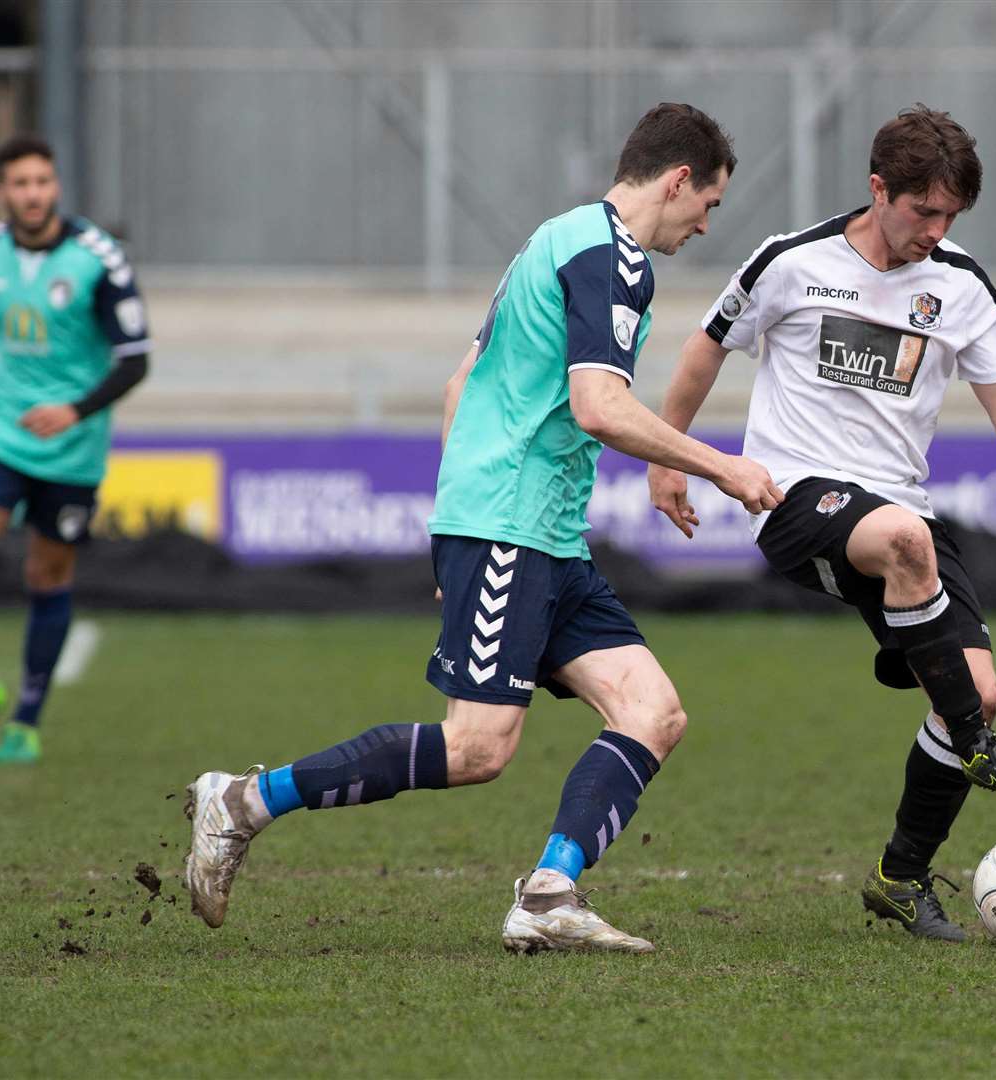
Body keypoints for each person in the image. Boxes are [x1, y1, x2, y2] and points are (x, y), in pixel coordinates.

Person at [183, 103, 782, 953]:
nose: (706, 224)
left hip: (535, 531)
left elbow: (462, 382)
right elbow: (598, 407)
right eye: (709, 203)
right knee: (477, 747)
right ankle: (242, 802)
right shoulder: (609, 257)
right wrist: (719, 466)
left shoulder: (554, 238)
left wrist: (451, 520)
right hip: (512, 524)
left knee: (652, 710)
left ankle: (549, 894)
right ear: (678, 179)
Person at [647, 105, 996, 942]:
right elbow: (706, 349)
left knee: (978, 690)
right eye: (925, 212)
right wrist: (671, 457)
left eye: (951, 215)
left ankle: (901, 876)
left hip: (901, 505)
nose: (937, 230)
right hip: (797, 498)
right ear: (878, 190)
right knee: (911, 554)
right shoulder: (791, 263)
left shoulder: (960, 285)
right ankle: (983, 752)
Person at [0, 132, 152, 765]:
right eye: (21, 184)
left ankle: (26, 717)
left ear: (55, 188)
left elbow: (136, 360)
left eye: (43, 182)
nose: (33, 194)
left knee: (45, 576)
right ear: (2, 192)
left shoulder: (96, 259)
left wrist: (74, 410)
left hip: (72, 444)